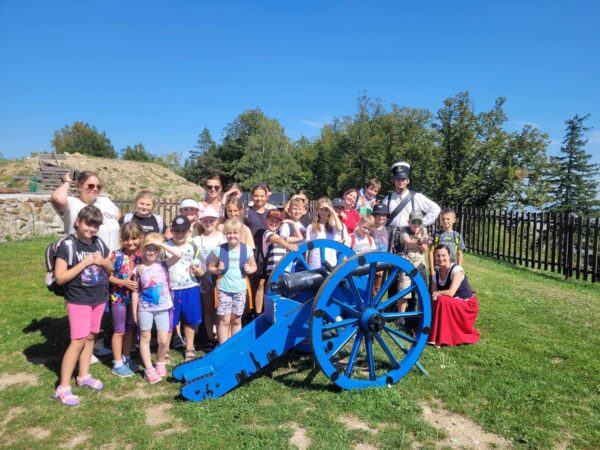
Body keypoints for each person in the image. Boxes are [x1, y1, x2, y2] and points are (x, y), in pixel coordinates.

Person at [52, 206, 113, 406]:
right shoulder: (67, 246)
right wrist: (84, 263)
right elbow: (60, 278)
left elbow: (110, 270)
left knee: (90, 337)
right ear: (78, 222)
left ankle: (83, 375)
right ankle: (63, 386)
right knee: (77, 340)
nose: (91, 229)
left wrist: (103, 261)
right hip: (78, 299)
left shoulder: (99, 243)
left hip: (98, 297)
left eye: (95, 225)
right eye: (88, 224)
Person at [132, 233, 182, 384]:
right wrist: (135, 312)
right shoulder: (138, 269)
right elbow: (135, 291)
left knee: (163, 340)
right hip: (145, 309)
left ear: (160, 250)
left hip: (163, 308)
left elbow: (178, 254)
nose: (151, 252)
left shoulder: (164, 264)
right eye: (148, 248)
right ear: (142, 250)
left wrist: (161, 244)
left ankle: (160, 362)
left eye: (155, 249)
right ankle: (149, 369)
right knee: (145, 338)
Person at [208, 219, 257, 344]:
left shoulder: (247, 250)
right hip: (224, 289)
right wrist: (218, 270)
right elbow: (211, 267)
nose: (232, 236)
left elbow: (254, 267)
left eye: (235, 233)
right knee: (224, 320)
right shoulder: (220, 250)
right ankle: (223, 346)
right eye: (229, 233)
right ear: (225, 234)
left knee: (236, 319)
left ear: (241, 234)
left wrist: (249, 269)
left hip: (240, 290)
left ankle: (235, 345)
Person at [51, 170, 120, 252]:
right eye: (91, 186)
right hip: (86, 258)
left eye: (98, 187)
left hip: (113, 258)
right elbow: (57, 198)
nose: (95, 189)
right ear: (80, 186)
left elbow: (118, 213)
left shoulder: (106, 201)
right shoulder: (72, 203)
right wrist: (67, 182)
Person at [108, 222, 143, 378]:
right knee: (119, 330)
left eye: (134, 238)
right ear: (122, 239)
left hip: (134, 299)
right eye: (127, 239)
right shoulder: (115, 255)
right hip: (118, 298)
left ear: (140, 238)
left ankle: (126, 358)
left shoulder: (142, 256)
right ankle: (117, 363)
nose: (131, 242)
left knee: (130, 328)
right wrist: (123, 283)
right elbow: (107, 276)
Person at [166, 216, 203, 362]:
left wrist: (198, 271)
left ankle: (189, 348)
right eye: (176, 230)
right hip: (171, 290)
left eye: (183, 231)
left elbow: (202, 269)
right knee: (169, 322)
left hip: (190, 288)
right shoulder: (165, 246)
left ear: (189, 231)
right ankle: (165, 350)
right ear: (171, 230)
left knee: (190, 320)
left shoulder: (193, 247)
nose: (180, 233)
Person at [429, 245, 480, 347]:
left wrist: (438, 293)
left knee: (442, 300)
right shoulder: (436, 274)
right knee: (434, 301)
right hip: (453, 303)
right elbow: (433, 292)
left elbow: (451, 292)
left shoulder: (456, 270)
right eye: (438, 256)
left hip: (467, 305)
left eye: (444, 255)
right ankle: (432, 333)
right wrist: (434, 295)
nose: (440, 258)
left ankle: (441, 337)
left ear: (449, 256)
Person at [192, 207, 226, 352]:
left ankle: (221, 337)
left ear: (217, 221)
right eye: (205, 220)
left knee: (221, 309)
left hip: (221, 279)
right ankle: (210, 338)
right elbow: (195, 260)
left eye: (212, 220)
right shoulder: (196, 240)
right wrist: (203, 276)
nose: (208, 223)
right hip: (204, 279)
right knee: (208, 310)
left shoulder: (223, 237)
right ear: (200, 222)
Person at [254, 210, 299, 314]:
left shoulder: (282, 237)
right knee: (267, 289)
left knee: (278, 292)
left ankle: (278, 312)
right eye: (271, 220)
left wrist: (292, 223)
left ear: (280, 224)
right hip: (270, 269)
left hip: (281, 270)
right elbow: (276, 240)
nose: (274, 223)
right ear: (266, 221)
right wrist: (288, 245)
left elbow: (299, 237)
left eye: (277, 221)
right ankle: (260, 313)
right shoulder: (266, 233)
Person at [381, 161, 440, 234]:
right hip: (391, 236)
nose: (401, 182)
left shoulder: (417, 197)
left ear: (408, 181)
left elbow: (435, 209)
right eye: (398, 179)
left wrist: (420, 223)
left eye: (403, 179)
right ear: (394, 181)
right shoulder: (387, 200)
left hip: (411, 235)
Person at [394, 210, 431, 317]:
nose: (416, 224)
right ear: (409, 222)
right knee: (404, 291)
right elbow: (408, 244)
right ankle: (401, 317)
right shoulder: (404, 231)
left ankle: (421, 315)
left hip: (420, 263)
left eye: (419, 222)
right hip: (406, 262)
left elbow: (424, 249)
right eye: (414, 221)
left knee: (421, 291)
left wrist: (419, 237)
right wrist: (420, 242)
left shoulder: (423, 230)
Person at [305, 198, 344, 269]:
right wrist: (306, 265)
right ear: (317, 210)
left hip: (331, 262)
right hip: (315, 262)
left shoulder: (333, 226)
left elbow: (340, 228)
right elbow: (307, 248)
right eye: (321, 209)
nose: (323, 212)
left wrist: (332, 211)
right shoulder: (310, 227)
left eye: (326, 210)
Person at [428, 208, 466, 275]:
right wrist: (431, 269)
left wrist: (459, 269)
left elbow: (459, 254)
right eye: (443, 219)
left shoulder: (457, 236)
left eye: (448, 219)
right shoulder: (436, 235)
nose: (445, 221)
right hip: (437, 268)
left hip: (451, 268)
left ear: (454, 220)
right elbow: (431, 252)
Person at [370, 204, 390, 297]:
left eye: (384, 215)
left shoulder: (388, 231)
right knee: (370, 287)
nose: (381, 217)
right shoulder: (370, 230)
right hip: (372, 262)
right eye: (379, 215)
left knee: (379, 289)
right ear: (374, 216)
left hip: (384, 263)